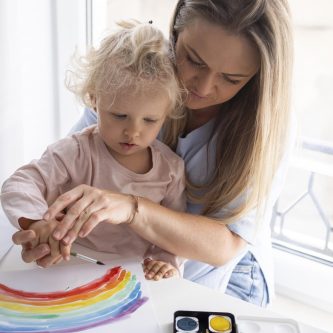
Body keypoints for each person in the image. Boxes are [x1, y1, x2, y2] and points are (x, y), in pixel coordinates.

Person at [8, 0, 294, 307]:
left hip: (225, 273)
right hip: (130, 266)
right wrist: (43, 229)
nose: (204, 86)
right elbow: (60, 181)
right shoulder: (132, 79)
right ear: (175, 35)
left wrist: (133, 209)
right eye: (195, 60)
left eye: (231, 78)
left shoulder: (264, 126)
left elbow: (224, 247)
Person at [1, 20, 187, 281]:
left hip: (131, 277)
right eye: (119, 115)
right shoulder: (76, 151)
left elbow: (172, 234)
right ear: (94, 99)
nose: (133, 132)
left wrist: (165, 262)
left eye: (149, 120)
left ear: (166, 113)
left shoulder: (171, 170)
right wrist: (37, 223)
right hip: (68, 264)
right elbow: (19, 184)